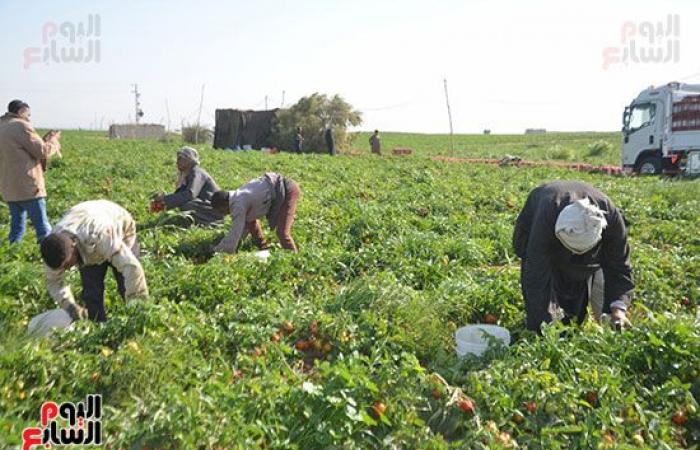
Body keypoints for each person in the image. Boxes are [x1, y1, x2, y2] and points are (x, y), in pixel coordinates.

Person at [512, 180, 633, 333]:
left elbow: (620, 265)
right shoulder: (545, 217)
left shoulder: (610, 217)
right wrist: (545, 324)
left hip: (586, 256)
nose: (574, 255)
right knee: (541, 297)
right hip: (539, 225)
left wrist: (619, 307)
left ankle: (572, 323)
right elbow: (536, 274)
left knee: (575, 302)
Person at [39, 200, 148, 322]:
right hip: (84, 220)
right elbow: (54, 282)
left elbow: (132, 267)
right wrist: (70, 306)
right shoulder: (53, 248)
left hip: (118, 223)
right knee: (91, 293)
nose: (68, 269)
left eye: (68, 265)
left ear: (74, 247)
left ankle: (136, 319)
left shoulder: (99, 237)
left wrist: (136, 303)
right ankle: (99, 327)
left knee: (125, 281)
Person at [0, 100, 61, 243]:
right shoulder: (21, 125)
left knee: (16, 229)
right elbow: (42, 151)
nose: (29, 118)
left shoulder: (2, 126)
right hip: (28, 186)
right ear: (21, 112)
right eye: (28, 115)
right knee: (43, 229)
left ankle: (12, 255)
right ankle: (49, 259)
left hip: (10, 187)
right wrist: (53, 141)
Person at [211, 172, 301, 253]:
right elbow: (247, 225)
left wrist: (219, 250)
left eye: (221, 211)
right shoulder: (238, 196)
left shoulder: (237, 204)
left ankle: (294, 259)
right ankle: (264, 247)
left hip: (288, 190)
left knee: (282, 233)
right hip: (279, 188)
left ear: (224, 204)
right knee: (250, 221)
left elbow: (236, 231)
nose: (224, 214)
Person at [153, 147, 224, 225]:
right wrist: (164, 201)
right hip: (206, 205)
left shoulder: (196, 172)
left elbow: (190, 194)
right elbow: (180, 195)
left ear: (189, 160)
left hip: (216, 209)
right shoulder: (187, 174)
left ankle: (212, 222)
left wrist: (165, 199)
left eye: (180, 158)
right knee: (182, 202)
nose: (177, 162)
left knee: (186, 205)